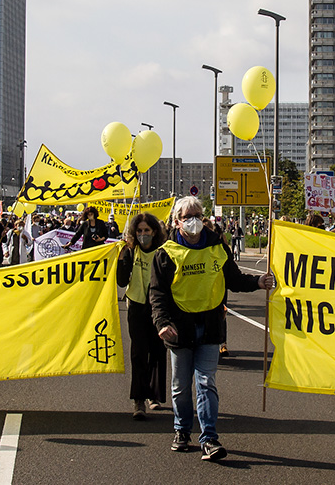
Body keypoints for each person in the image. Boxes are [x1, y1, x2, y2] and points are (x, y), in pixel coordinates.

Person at [149, 196, 274, 461]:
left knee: (206, 382)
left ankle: (209, 438)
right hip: (178, 329)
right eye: (187, 216)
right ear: (176, 221)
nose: (192, 221)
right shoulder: (166, 253)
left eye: (197, 215)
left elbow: (234, 279)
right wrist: (162, 323)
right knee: (180, 387)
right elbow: (157, 294)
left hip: (209, 327)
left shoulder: (218, 248)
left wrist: (258, 282)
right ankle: (182, 430)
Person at [117, 212, 169, 420]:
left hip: (159, 308)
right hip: (137, 305)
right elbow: (121, 281)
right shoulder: (131, 251)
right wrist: (122, 257)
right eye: (139, 231)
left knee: (157, 351)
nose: (142, 234)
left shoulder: (163, 252)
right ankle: (139, 399)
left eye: (146, 230)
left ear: (154, 232)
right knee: (138, 352)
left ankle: (154, 395)